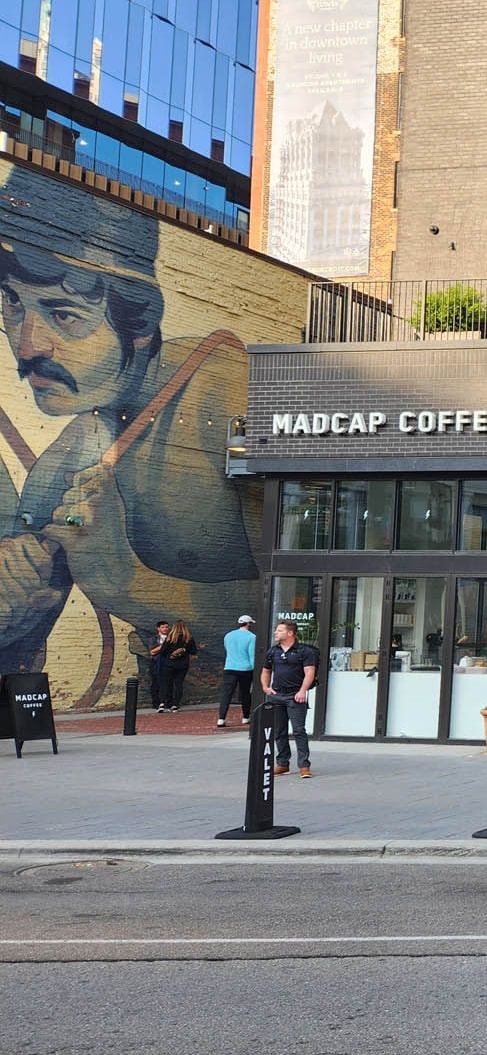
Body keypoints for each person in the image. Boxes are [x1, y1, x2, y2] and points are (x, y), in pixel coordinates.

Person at [0, 165, 257, 708]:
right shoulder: (71, 454)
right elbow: (22, 643)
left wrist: (129, 581)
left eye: (64, 315)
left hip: (236, 709)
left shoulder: (230, 391)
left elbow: (302, 599)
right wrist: (19, 608)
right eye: (12, 304)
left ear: (139, 324)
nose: (27, 347)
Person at [260, 619, 319, 778]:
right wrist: (266, 687)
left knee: (299, 730)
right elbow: (266, 671)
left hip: (295, 696)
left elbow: (310, 672)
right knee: (279, 731)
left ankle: (304, 765)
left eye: (279, 630)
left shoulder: (305, 651)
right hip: (276, 695)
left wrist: (302, 691)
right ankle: (283, 763)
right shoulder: (274, 651)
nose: (276, 633)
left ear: (290, 633)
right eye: (276, 630)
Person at [217, 614, 257, 728]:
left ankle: (221, 718)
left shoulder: (228, 635)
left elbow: (227, 650)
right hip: (246, 669)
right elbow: (252, 655)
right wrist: (255, 669)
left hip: (229, 667)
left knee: (226, 694)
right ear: (248, 624)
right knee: (245, 693)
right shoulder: (252, 637)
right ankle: (245, 717)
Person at [162, 620, 198, 712]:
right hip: (182, 664)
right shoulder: (188, 638)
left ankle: (168, 703)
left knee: (168, 684)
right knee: (178, 684)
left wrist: (170, 654)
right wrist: (184, 650)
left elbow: (163, 651)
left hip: (169, 664)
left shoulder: (170, 637)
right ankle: (176, 704)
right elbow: (194, 651)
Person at [146, 620, 170, 712]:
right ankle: (156, 703)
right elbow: (152, 651)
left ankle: (166, 702)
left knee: (167, 683)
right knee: (156, 682)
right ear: (158, 628)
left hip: (167, 663)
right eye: (163, 627)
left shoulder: (171, 638)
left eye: (166, 627)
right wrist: (165, 645)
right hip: (156, 662)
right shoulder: (153, 639)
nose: (165, 629)